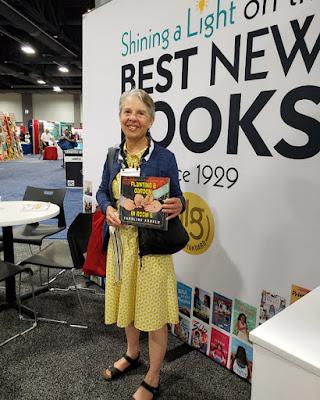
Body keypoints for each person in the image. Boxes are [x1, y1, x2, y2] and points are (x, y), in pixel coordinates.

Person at [96, 88, 185, 400]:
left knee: (154, 314)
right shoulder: (112, 155)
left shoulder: (164, 158)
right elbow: (103, 193)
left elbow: (179, 198)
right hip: (121, 247)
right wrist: (106, 207)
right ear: (120, 117)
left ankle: (154, 375)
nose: (132, 118)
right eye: (127, 112)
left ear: (151, 120)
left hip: (151, 251)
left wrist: (178, 206)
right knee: (130, 307)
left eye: (140, 113)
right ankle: (133, 353)